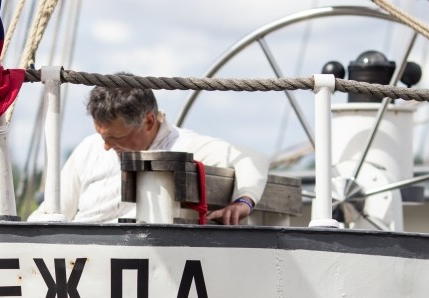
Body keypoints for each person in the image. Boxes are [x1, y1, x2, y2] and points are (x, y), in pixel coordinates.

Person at [30, 82, 269, 225]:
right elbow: (55, 208)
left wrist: (243, 201)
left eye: (116, 138)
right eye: (103, 137)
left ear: (149, 121)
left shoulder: (185, 146)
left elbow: (251, 159)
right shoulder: (88, 147)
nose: (106, 146)